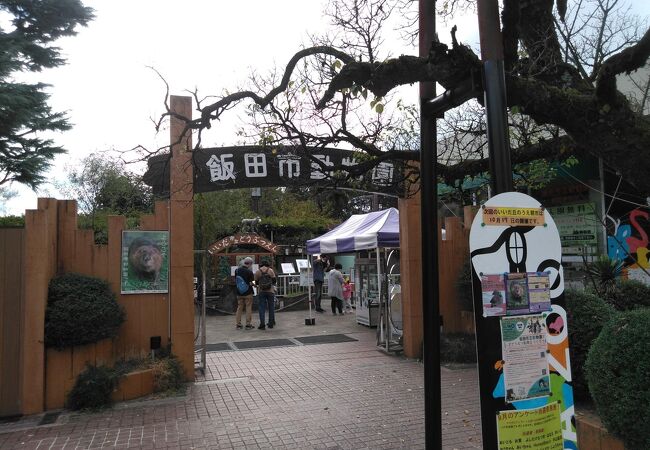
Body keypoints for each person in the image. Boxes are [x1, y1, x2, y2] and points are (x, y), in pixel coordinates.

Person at [255, 261, 277, 329]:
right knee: (271, 307)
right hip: (270, 291)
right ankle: (271, 323)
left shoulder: (258, 271)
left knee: (261, 308)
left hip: (261, 291)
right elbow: (274, 281)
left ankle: (262, 324)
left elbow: (256, 282)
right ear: (267, 265)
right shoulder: (270, 270)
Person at [234, 257, 255, 330]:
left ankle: (238, 325)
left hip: (239, 292)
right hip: (248, 292)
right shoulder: (249, 272)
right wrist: (255, 284)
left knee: (239, 308)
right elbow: (252, 283)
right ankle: (248, 324)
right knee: (248, 307)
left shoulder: (237, 271)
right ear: (250, 264)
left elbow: (236, 280)